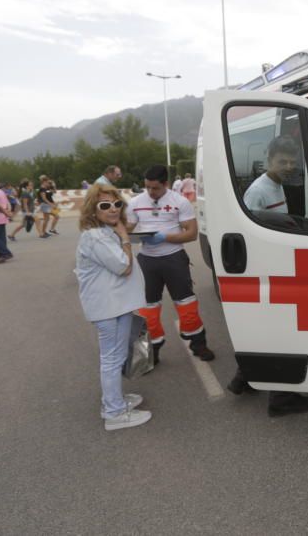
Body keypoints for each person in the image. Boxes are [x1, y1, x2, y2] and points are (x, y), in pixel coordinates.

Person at [230, 136, 308, 416]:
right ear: (269, 160)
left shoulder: (277, 186)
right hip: (267, 272)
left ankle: (243, 379)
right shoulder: (259, 191)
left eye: (293, 162)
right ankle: (281, 399)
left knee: (269, 333)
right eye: (282, 162)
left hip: (277, 268)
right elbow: (247, 231)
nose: (288, 167)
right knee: (284, 335)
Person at [75, 183, 152, 431]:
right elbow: (123, 266)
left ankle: (114, 401)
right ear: (92, 210)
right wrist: (126, 238)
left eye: (117, 204)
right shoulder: (95, 236)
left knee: (115, 356)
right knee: (112, 358)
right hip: (108, 307)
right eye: (105, 205)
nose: (113, 210)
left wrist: (120, 234)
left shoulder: (104, 231)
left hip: (115, 304)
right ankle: (114, 412)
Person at [126, 164, 215, 363]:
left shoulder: (180, 201)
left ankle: (198, 344)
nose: (150, 192)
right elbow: (128, 228)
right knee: (147, 308)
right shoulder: (135, 202)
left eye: (155, 188)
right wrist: (126, 232)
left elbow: (191, 234)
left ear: (166, 184)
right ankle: (151, 352)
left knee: (187, 304)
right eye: (147, 187)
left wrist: (164, 237)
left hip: (174, 257)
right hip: (147, 261)